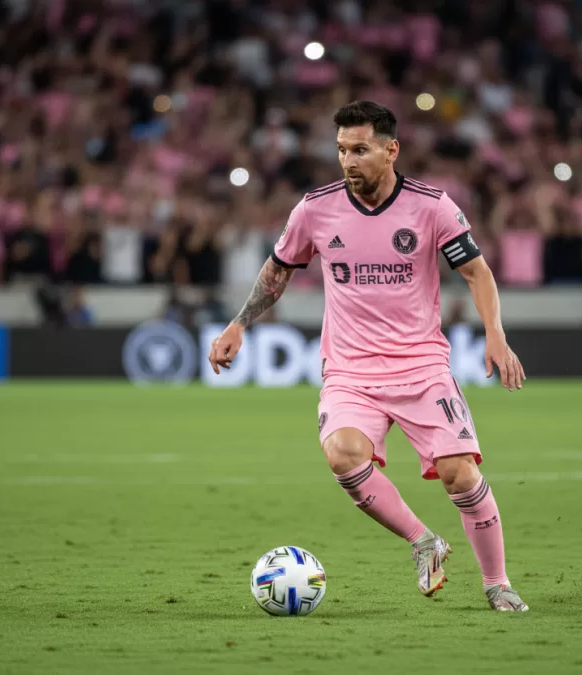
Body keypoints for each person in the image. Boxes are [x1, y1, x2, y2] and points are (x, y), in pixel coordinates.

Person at [208, 101, 529, 612]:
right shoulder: (316, 208)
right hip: (351, 372)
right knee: (341, 453)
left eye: (360, 150)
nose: (348, 161)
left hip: (422, 369)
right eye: (341, 151)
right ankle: (424, 541)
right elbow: (279, 269)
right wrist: (238, 324)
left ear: (391, 149)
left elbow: (477, 273)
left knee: (460, 474)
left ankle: (497, 583)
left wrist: (496, 333)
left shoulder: (432, 207)